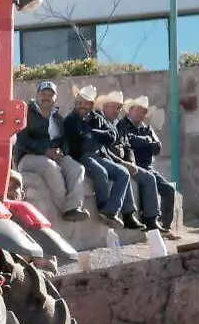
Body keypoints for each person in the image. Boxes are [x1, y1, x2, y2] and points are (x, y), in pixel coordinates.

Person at [63, 86, 138, 230]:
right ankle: (104, 207)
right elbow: (80, 140)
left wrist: (92, 133)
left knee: (123, 173)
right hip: (81, 155)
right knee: (100, 172)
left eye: (86, 103)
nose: (82, 106)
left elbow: (111, 135)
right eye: (80, 102)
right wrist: (96, 136)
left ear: (91, 105)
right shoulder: (70, 120)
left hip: (99, 155)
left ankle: (111, 211)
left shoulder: (96, 117)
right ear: (75, 102)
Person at [14, 81, 89, 221]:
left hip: (53, 155)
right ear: (37, 95)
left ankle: (74, 207)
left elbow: (64, 141)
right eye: (43, 94)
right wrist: (45, 151)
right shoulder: (25, 113)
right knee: (50, 167)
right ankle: (66, 209)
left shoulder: (58, 118)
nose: (46, 97)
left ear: (55, 99)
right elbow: (22, 141)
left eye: (50, 95)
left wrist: (61, 150)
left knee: (77, 168)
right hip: (27, 157)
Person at [97, 91, 161, 233]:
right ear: (105, 106)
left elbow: (128, 147)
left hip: (125, 162)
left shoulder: (117, 124)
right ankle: (128, 214)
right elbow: (103, 149)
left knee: (149, 178)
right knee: (123, 173)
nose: (117, 110)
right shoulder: (100, 121)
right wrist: (123, 162)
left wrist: (131, 162)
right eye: (114, 106)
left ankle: (151, 219)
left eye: (119, 107)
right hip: (110, 160)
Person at [118, 96, 180, 240]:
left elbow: (157, 147)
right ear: (130, 110)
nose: (141, 113)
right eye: (139, 110)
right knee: (148, 180)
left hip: (147, 166)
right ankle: (151, 220)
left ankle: (165, 227)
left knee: (169, 190)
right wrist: (146, 141)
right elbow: (128, 141)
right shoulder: (123, 125)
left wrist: (142, 142)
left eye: (144, 111)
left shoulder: (146, 128)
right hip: (132, 164)